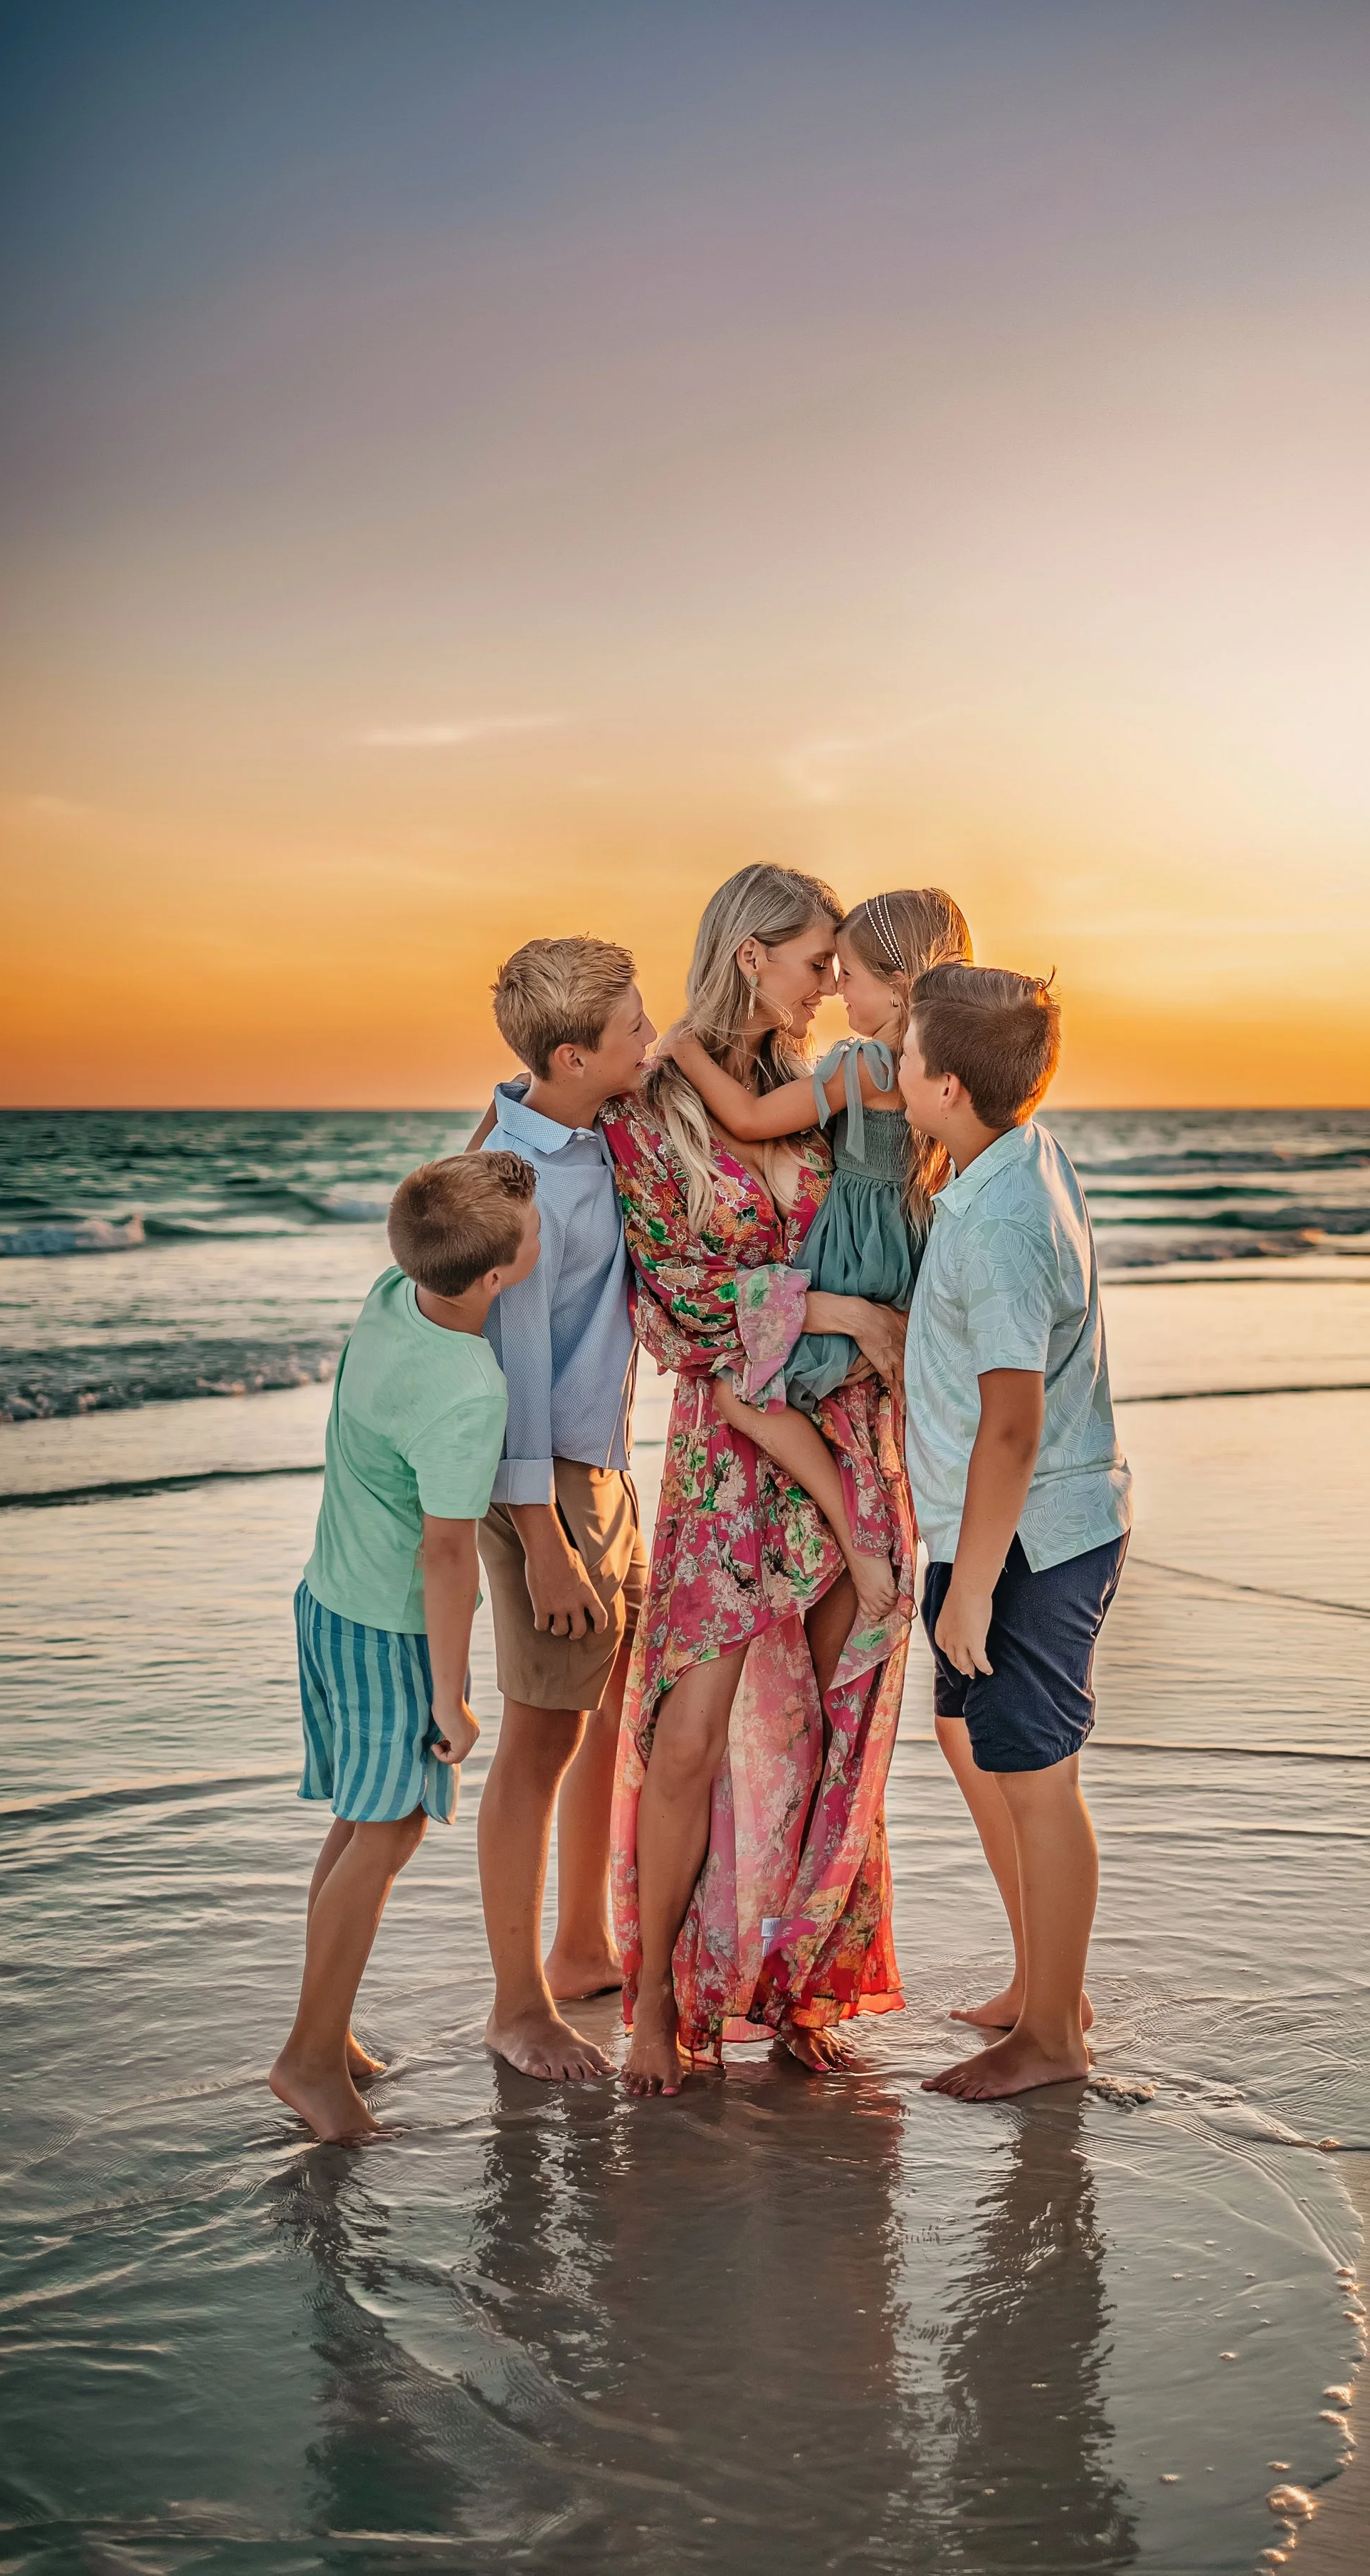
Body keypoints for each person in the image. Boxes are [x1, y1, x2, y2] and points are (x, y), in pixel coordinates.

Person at [601, 861, 915, 2096]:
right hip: (730, 1465)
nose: (830, 983)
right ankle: (648, 2012)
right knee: (690, 1741)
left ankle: (798, 1992)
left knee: (837, 1730)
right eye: (815, 960)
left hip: (842, 1430)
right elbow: (673, 1305)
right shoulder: (654, 1108)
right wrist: (831, 1301)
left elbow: (888, 1221)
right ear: (750, 956)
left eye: (842, 963)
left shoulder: (824, 1089)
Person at [270, 1149, 540, 2144]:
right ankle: (305, 2058)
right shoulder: (469, 1389)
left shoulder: (394, 1292)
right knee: (388, 1835)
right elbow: (446, 1554)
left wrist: (483, 1157)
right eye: (529, 1228)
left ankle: (325, 2035)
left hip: (326, 1601)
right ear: (500, 1277)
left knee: (356, 1821)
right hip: (392, 1630)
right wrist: (450, 1697)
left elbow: (440, 1216)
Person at [897, 965, 1132, 2102]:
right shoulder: (1016, 1153)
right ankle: (1049, 1985)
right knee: (969, 1736)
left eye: (903, 1057)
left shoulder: (996, 1221)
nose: (889, 1069)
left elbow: (1013, 1421)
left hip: (1024, 1541)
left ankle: (1054, 2034)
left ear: (945, 1086)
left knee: (1039, 1776)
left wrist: (974, 1584)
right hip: (1001, 1532)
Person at [655, 886, 971, 1629]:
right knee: (839, 1382)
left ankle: (856, 1539)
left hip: (850, 1264)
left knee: (739, 1390)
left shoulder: (863, 1066)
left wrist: (683, 1050)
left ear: (895, 985)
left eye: (848, 973)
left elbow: (749, 1117)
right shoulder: (930, 1069)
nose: (835, 988)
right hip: (900, 1260)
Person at [461, 934, 658, 2084]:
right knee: (538, 1742)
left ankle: (584, 1945)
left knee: (596, 1722)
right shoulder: (521, 1187)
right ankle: (516, 2003)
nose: (653, 1037)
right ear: (575, 1054)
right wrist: (541, 1540)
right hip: (541, 1487)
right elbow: (513, 1377)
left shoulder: (575, 1126)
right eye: (632, 1028)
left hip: (603, 1471)